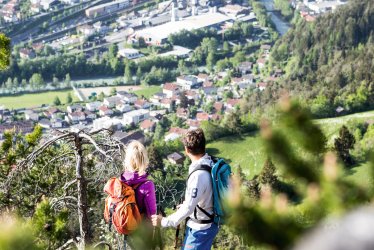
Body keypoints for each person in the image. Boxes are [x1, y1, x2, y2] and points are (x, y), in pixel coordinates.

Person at [151, 128, 219, 249]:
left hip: (200, 230)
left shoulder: (198, 175)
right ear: (204, 145)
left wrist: (163, 221)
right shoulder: (210, 163)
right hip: (210, 224)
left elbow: (188, 208)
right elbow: (205, 195)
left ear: (186, 150)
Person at [121, 140, 157, 220]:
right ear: (144, 159)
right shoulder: (147, 185)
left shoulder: (121, 181)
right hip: (140, 230)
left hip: (125, 227)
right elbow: (152, 215)